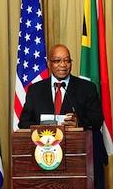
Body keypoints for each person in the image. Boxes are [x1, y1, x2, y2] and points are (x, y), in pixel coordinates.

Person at [18, 44, 107, 189]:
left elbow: (97, 120)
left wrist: (79, 123)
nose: (63, 65)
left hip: (80, 157)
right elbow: (23, 123)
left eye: (67, 60)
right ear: (49, 63)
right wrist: (44, 129)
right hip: (45, 158)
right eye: (57, 61)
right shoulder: (35, 90)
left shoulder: (87, 88)